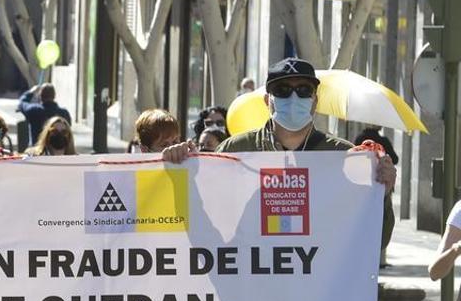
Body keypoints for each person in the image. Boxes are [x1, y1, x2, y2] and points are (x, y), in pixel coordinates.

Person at [162, 58, 396, 204]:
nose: (293, 97)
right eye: (282, 90)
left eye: (303, 90)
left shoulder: (344, 156)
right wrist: (180, 171)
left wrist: (382, 194)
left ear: (315, 101)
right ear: (268, 101)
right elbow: (208, 212)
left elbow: (374, 240)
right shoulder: (236, 150)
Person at [355, 126, 399, 267]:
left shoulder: (359, 139)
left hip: (372, 185)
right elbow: (395, 158)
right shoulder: (383, 140)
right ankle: (379, 261)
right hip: (376, 186)